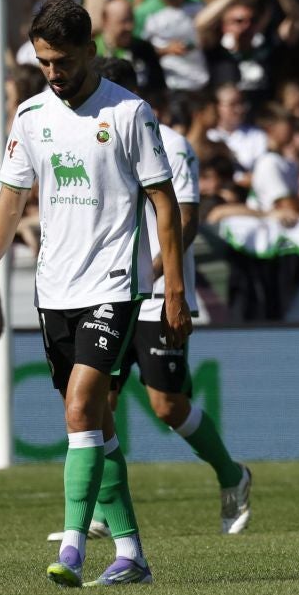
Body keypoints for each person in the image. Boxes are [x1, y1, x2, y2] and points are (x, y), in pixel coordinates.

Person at [0, 0, 190, 588]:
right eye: (43, 62)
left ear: (90, 51)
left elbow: (164, 207)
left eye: (62, 61)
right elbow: (10, 202)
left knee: (78, 409)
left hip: (115, 284)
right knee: (99, 423)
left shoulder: (128, 113)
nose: (53, 72)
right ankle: (131, 554)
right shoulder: (31, 116)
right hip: (53, 288)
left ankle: (71, 545)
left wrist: (172, 288)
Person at [83, 56, 252, 533]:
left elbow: (187, 217)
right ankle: (100, 511)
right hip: (107, 293)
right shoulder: (96, 142)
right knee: (96, 400)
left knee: (167, 407)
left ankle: (232, 475)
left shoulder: (171, 145)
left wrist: (150, 273)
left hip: (156, 294)